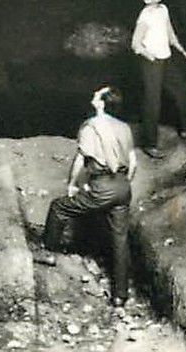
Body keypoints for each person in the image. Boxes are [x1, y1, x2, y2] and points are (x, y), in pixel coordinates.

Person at [37, 85, 137, 307]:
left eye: (97, 94)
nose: (93, 95)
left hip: (101, 185)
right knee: (119, 239)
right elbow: (133, 163)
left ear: (101, 103)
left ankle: (48, 253)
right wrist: (121, 185)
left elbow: (80, 161)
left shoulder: (91, 127)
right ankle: (120, 296)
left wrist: (72, 185)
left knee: (59, 207)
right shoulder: (124, 128)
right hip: (122, 186)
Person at [131, 0, 186, 156]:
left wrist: (184, 53)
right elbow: (135, 44)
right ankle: (149, 144)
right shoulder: (145, 16)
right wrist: (150, 56)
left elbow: (170, 34)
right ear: (147, 0)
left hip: (166, 58)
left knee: (182, 90)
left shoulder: (163, 9)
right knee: (153, 101)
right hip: (152, 62)